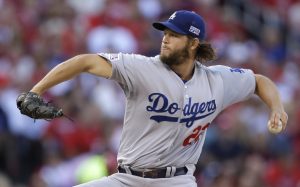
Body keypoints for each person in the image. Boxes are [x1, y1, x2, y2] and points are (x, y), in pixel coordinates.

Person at [17, 10, 288, 187]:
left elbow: (258, 81)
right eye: (165, 33)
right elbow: (86, 62)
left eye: (174, 35)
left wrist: (276, 107)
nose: (165, 40)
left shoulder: (216, 81)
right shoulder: (142, 68)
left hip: (177, 181)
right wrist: (37, 90)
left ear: (194, 43)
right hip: (126, 179)